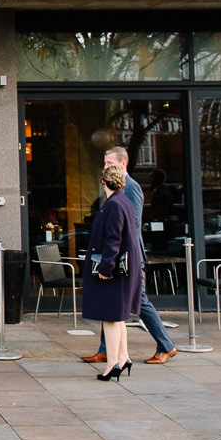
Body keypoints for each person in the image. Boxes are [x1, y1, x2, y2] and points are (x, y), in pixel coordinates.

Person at [81, 146, 177, 365]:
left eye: (109, 163)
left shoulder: (131, 188)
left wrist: (117, 258)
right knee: (111, 301)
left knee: (139, 301)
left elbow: (131, 226)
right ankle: (106, 350)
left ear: (123, 164)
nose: (105, 167)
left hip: (127, 257)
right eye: (104, 163)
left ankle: (166, 345)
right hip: (120, 255)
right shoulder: (116, 187)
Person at [81, 163, 143, 382]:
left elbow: (113, 239)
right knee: (118, 318)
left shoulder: (113, 204)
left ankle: (112, 365)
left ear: (103, 182)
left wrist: (106, 268)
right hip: (125, 268)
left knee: (110, 318)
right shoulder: (124, 201)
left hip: (115, 270)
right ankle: (123, 358)